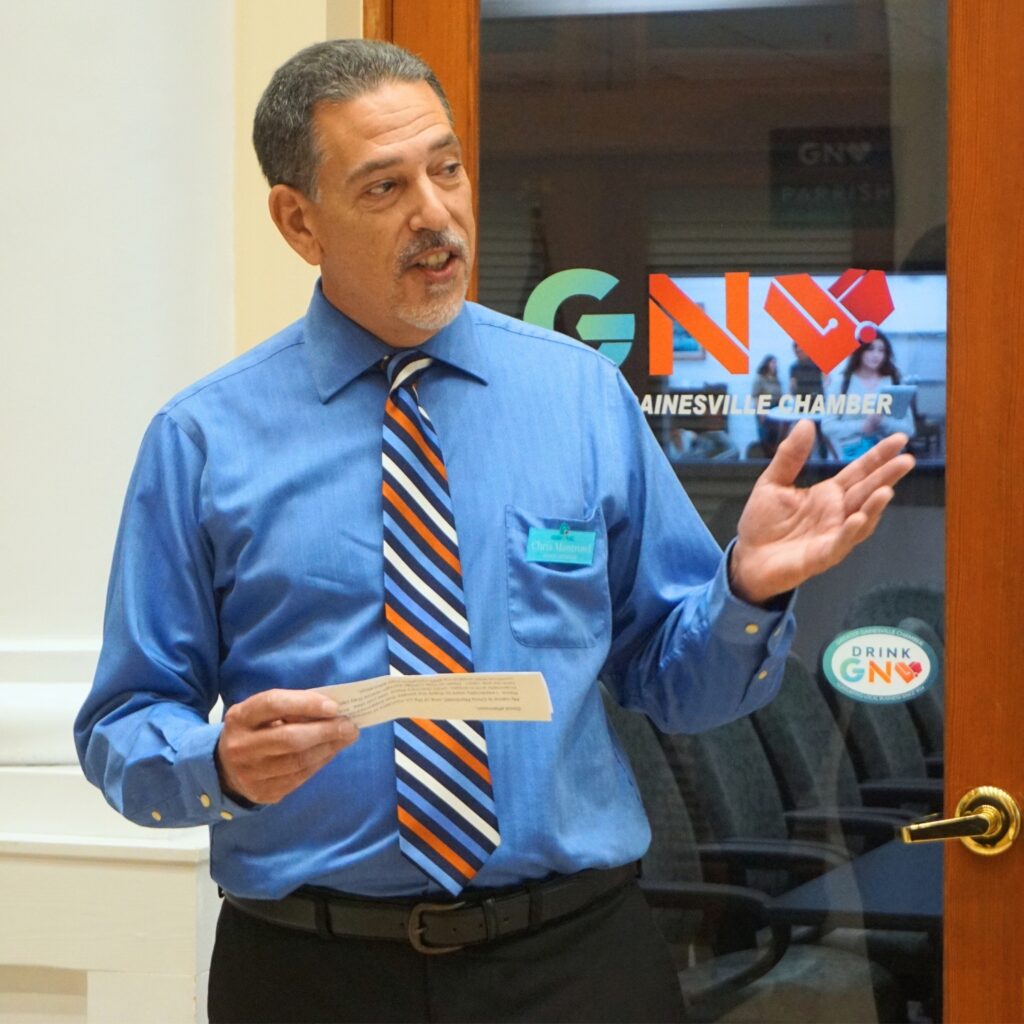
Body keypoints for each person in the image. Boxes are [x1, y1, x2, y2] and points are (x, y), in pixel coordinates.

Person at [74, 40, 914, 1024]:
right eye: (384, 186)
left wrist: (749, 591)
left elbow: (679, 688)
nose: (434, 214)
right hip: (311, 971)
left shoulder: (580, 398)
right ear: (298, 221)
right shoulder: (201, 440)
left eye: (446, 168)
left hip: (574, 962)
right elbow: (124, 725)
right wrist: (213, 766)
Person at [822, 332, 916, 461]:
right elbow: (828, 426)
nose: (876, 355)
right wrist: (862, 426)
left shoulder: (894, 381)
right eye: (870, 349)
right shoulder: (842, 383)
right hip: (850, 459)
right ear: (860, 351)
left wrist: (882, 422)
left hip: (887, 459)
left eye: (881, 350)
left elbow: (909, 429)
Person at [751, 354, 782, 454]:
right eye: (772, 363)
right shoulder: (760, 378)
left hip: (775, 410)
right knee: (764, 437)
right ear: (767, 364)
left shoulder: (776, 379)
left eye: (775, 363)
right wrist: (761, 411)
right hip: (764, 409)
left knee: (775, 437)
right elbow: (755, 395)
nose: (774, 365)